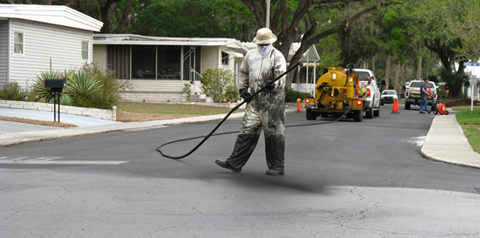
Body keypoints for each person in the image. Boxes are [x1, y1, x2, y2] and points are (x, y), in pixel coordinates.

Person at [215, 28, 287, 175]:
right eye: (261, 44)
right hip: (254, 101)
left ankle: (277, 166)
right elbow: (243, 73)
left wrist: (273, 83)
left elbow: (281, 76)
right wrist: (243, 89)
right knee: (247, 131)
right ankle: (235, 162)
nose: (263, 47)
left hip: (273, 103)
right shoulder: (250, 55)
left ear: (271, 42)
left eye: (266, 44)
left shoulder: (277, 57)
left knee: (274, 134)